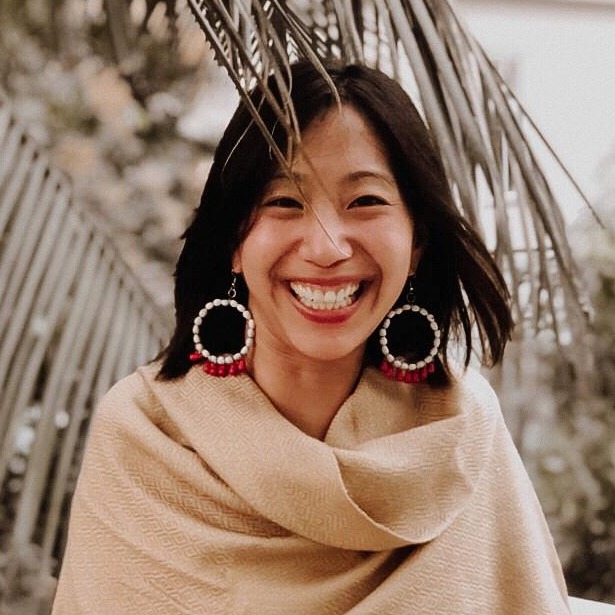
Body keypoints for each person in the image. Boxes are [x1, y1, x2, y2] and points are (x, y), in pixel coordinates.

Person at [51, 61, 570, 614]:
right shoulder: (145, 435)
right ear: (232, 238)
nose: (326, 249)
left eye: (365, 201)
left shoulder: (461, 429)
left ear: (416, 242)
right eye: (285, 202)